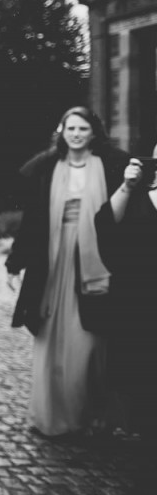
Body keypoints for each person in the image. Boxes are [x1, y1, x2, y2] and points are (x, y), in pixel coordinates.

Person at [6, 106, 129, 437]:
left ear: (93, 133)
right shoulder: (46, 168)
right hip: (54, 262)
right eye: (70, 128)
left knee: (91, 343)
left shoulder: (112, 165)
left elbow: (126, 213)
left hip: (96, 260)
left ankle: (90, 413)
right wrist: (15, 262)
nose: (76, 134)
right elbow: (32, 221)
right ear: (61, 131)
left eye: (83, 129)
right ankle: (53, 415)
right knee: (51, 340)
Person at [95, 147, 157, 446]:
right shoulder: (137, 193)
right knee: (140, 362)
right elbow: (105, 224)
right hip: (140, 294)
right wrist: (127, 185)